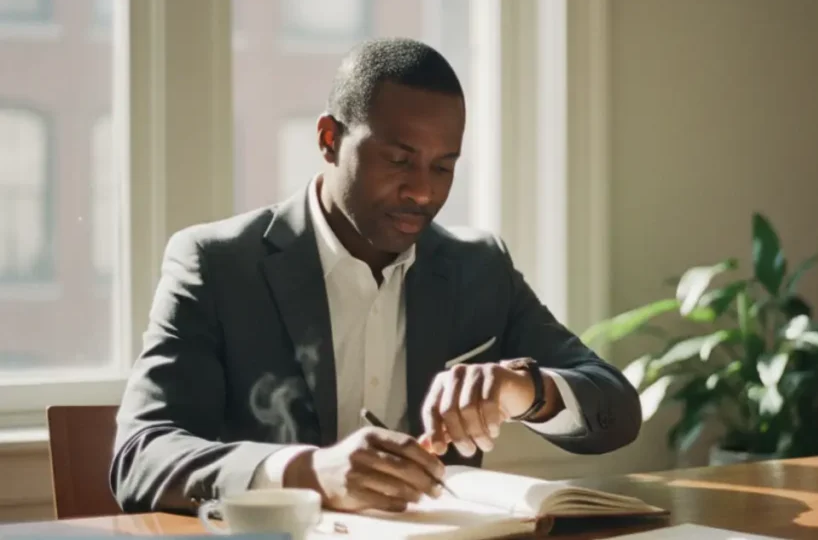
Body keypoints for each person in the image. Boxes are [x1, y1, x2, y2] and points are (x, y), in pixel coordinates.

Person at [109, 37, 641, 515]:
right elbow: (140, 457)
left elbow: (616, 409)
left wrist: (524, 390)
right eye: (399, 160)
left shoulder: (478, 267)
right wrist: (307, 475)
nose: (423, 192)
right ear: (328, 140)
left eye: (443, 167)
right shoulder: (217, 263)